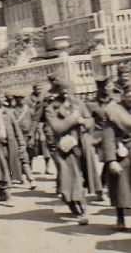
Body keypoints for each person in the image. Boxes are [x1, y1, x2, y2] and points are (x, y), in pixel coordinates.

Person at [45, 80, 93, 225]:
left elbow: (90, 119)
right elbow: (58, 127)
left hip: (82, 143)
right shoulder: (51, 109)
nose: (65, 93)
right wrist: (75, 118)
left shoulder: (77, 103)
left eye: (67, 90)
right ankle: (81, 209)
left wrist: (85, 122)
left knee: (83, 176)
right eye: (61, 91)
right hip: (65, 147)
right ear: (56, 92)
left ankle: (73, 201)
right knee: (74, 177)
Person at [0, 88, 25, 207]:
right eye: (0, 97)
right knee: (2, 168)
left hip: (10, 143)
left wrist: (21, 143)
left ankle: (1, 190)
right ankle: (8, 196)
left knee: (10, 168)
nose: (3, 99)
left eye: (3, 97)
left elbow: (16, 129)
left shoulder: (8, 112)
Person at [102, 82, 131, 230]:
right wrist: (111, 160)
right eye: (128, 93)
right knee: (120, 186)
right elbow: (108, 138)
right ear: (124, 95)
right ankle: (120, 219)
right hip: (123, 153)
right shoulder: (113, 111)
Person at [12, 92, 37, 189]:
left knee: (29, 156)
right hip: (18, 137)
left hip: (28, 136)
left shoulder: (29, 110)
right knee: (22, 156)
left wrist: (33, 136)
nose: (20, 99)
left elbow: (34, 123)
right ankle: (29, 178)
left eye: (22, 97)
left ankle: (24, 176)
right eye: (18, 98)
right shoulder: (12, 111)